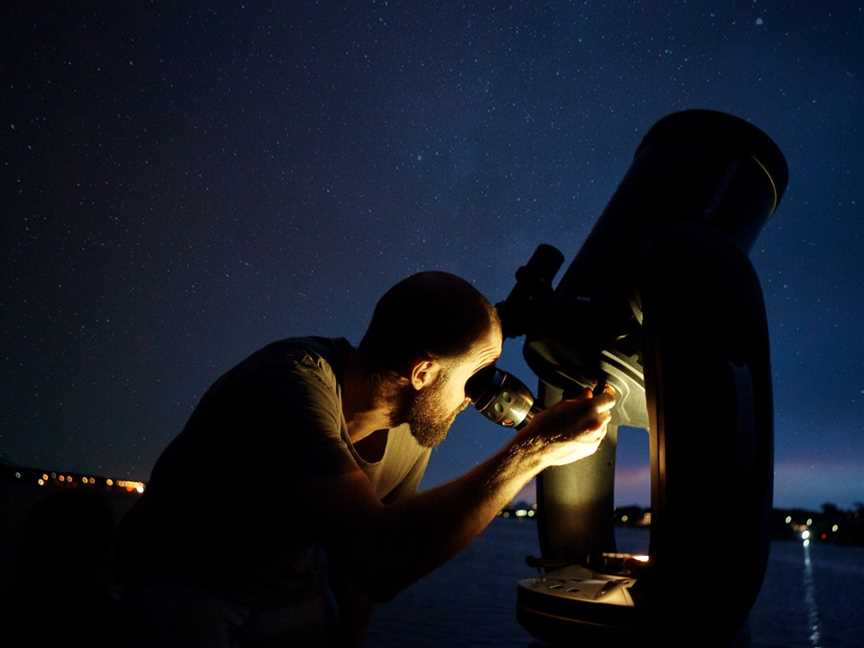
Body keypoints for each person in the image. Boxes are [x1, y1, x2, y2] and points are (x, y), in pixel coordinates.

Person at [110, 271, 615, 647]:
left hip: (278, 589)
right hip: (177, 581)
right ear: (422, 373)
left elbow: (361, 578)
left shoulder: (413, 428)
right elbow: (379, 559)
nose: (474, 399)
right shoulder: (290, 386)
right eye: (476, 377)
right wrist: (534, 452)